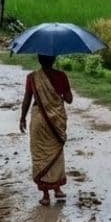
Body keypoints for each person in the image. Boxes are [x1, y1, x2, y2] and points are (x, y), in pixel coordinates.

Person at [19, 54, 74, 204]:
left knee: (40, 154)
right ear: (54, 59)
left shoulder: (32, 77)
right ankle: (57, 189)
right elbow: (69, 99)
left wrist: (22, 117)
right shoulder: (61, 76)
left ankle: (45, 195)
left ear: (39, 60)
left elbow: (27, 99)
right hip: (56, 120)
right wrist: (59, 97)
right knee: (56, 152)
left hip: (38, 119)